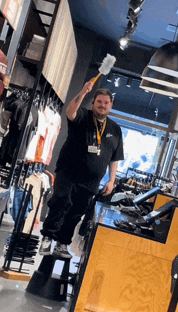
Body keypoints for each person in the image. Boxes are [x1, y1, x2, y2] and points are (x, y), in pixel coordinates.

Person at [39, 80, 124, 257]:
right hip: (69, 171)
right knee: (61, 201)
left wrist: (111, 180)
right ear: (93, 102)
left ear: (111, 105)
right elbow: (70, 112)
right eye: (99, 102)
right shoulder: (83, 116)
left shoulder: (115, 130)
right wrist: (83, 92)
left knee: (77, 211)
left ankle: (62, 243)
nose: (102, 105)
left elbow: (115, 158)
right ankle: (47, 237)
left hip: (91, 181)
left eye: (106, 103)